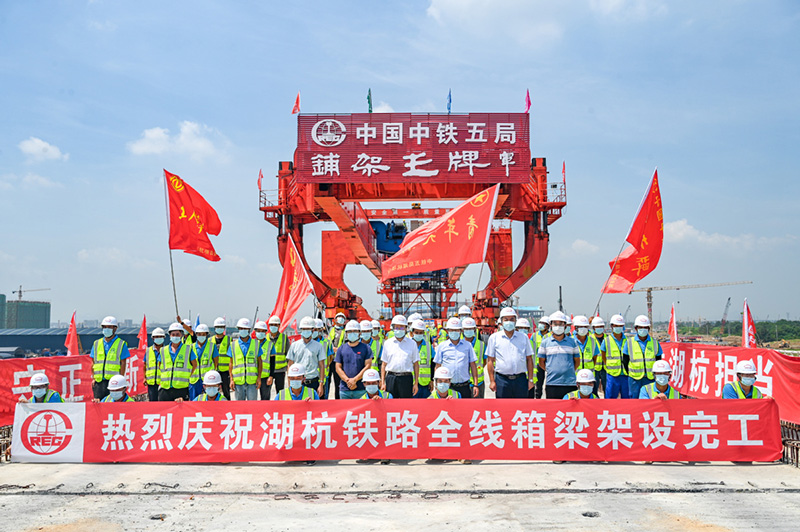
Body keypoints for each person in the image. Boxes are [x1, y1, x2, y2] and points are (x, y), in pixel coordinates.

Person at [486, 307, 535, 398]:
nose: (509, 322)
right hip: (502, 380)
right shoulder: (494, 338)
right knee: (503, 409)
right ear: (501, 321)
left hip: (520, 380)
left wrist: (530, 380)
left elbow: (529, 359)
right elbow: (490, 361)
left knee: (521, 409)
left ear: (515, 321)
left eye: (512, 319)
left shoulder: (523, 337)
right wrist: (492, 381)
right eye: (506, 319)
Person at [538, 311, 581, 399]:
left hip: (570, 383)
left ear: (565, 325)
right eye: (555, 323)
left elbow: (577, 361)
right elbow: (541, 362)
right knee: (553, 409)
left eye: (561, 324)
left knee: (570, 409)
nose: (558, 326)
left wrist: (568, 370)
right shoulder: (545, 342)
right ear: (551, 325)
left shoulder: (572, 342)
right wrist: (551, 370)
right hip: (552, 383)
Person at [434, 317, 479, 399]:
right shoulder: (442, 346)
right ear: (448, 331)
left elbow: (473, 365)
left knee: (465, 410)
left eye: (456, 330)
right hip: (449, 387)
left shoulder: (467, 345)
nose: (454, 332)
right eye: (451, 330)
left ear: (460, 331)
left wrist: (475, 384)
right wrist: (437, 385)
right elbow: (437, 366)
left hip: (464, 386)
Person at [91, 316, 131, 401]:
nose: (106, 329)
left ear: (115, 328)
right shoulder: (96, 343)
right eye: (104, 327)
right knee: (98, 406)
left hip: (114, 383)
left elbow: (123, 363)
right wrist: (93, 378)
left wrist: (120, 379)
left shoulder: (121, 344)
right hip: (99, 381)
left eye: (109, 327)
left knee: (112, 405)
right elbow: (93, 362)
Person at [624, 315, 663, 400]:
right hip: (635, 378)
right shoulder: (629, 342)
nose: (643, 329)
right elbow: (625, 360)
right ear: (636, 328)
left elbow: (658, 360)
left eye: (645, 327)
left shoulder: (655, 343)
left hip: (650, 378)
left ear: (648, 328)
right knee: (634, 400)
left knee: (650, 400)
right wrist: (631, 373)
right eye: (640, 327)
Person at [380, 315, 420, 398]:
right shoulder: (388, 343)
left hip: (406, 378)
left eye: (401, 327)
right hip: (391, 377)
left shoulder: (412, 344)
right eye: (396, 327)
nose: (399, 330)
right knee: (390, 404)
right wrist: (383, 382)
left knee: (405, 405)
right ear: (393, 328)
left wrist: (416, 383)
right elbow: (384, 364)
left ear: (406, 328)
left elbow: (416, 364)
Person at [287, 316, 326, 397]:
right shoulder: (294, 345)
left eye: (308, 329)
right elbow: (290, 365)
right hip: (299, 382)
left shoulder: (318, 346)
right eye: (304, 329)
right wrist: (289, 384)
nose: (306, 331)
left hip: (313, 382)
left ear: (313, 330)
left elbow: (322, 366)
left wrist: (321, 384)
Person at [158, 322, 198, 402]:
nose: (175, 336)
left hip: (181, 389)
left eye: (177, 334)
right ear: (170, 336)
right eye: (173, 334)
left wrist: (187, 375)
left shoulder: (188, 349)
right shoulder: (163, 350)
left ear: (181, 335)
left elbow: (194, 364)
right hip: (165, 389)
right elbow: (160, 365)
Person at [335, 320, 374, 399]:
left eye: (355, 331)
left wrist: (355, 380)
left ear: (359, 333)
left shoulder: (366, 348)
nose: (352, 333)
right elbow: (338, 367)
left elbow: (368, 366)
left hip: (361, 389)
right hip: (344, 389)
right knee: (345, 411)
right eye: (349, 331)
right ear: (346, 333)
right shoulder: (341, 349)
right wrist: (348, 381)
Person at [229, 318, 262, 401]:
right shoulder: (233, 345)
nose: (243, 330)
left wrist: (259, 378)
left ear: (249, 330)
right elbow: (231, 363)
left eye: (245, 329)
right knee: (239, 407)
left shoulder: (256, 344)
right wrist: (231, 379)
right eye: (241, 328)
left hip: (252, 381)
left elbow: (260, 362)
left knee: (253, 406)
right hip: (238, 382)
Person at [601, 314, 630, 399]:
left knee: (627, 398)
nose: (618, 327)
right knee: (610, 398)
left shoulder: (628, 341)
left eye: (620, 325)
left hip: (625, 374)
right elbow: (604, 356)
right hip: (612, 375)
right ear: (612, 326)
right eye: (616, 325)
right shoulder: (606, 341)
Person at [573, 316, 601, 395]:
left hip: (590, 378)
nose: (583, 328)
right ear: (576, 328)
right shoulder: (571, 341)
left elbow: (594, 358)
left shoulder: (592, 341)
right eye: (581, 327)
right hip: (575, 378)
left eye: (585, 326)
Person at [262, 316, 288, 400]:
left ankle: (280, 410)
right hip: (267, 371)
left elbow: (289, 355)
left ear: (279, 325)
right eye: (271, 325)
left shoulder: (284, 338)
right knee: (265, 394)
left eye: (275, 325)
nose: (273, 326)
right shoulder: (264, 338)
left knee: (280, 393)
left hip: (280, 370)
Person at [190, 324, 218, 401]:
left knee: (207, 401)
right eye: (199, 334)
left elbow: (216, 362)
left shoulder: (212, 346)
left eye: (203, 334)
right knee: (194, 402)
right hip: (194, 380)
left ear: (206, 335)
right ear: (196, 335)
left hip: (207, 380)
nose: (201, 336)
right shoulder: (191, 347)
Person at [463, 317, 487, 398]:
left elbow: (484, 361)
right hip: (463, 383)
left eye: (470, 328)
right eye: (466, 329)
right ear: (462, 330)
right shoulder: (459, 344)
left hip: (478, 383)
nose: (468, 330)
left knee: (477, 409)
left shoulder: (481, 344)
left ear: (474, 329)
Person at [326, 312, 348, 398]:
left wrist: (338, 350)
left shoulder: (345, 331)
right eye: (339, 317)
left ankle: (337, 400)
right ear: (335, 320)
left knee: (338, 383)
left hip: (339, 360)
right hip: (330, 359)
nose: (340, 319)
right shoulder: (330, 330)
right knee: (327, 382)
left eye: (342, 318)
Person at [410, 320, 434, 398]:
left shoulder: (428, 346)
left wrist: (432, 380)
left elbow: (433, 363)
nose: (419, 334)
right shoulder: (407, 345)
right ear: (412, 333)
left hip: (425, 384)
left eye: (421, 332)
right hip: (411, 383)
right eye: (416, 332)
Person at [515, 318, 538, 398]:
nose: (523, 330)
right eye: (521, 328)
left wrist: (531, 379)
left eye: (525, 328)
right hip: (518, 378)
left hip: (530, 379)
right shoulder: (513, 342)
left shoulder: (533, 343)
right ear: (516, 329)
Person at [210, 317, 232, 399]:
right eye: (217, 327)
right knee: (213, 392)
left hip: (225, 371)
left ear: (224, 328)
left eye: (221, 327)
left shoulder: (229, 340)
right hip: (213, 370)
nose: (219, 329)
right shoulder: (210, 340)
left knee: (226, 391)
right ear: (214, 328)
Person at [144, 327, 164, 402]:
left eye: (160, 337)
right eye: (156, 337)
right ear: (153, 338)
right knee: (152, 402)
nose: (158, 338)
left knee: (162, 402)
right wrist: (144, 378)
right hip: (151, 382)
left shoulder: (166, 350)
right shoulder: (148, 351)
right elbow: (144, 364)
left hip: (163, 382)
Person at [533, 315, 550, 399]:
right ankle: (538, 399)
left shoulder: (551, 336)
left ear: (547, 326)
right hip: (538, 363)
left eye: (543, 323)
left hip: (549, 363)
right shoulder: (535, 336)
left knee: (549, 384)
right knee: (538, 384)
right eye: (540, 323)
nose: (541, 325)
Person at [591, 317, 607, 396]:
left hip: (605, 368)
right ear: (593, 327)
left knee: (607, 389)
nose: (599, 328)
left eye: (601, 326)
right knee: (594, 390)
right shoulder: (590, 339)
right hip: (595, 368)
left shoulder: (607, 339)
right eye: (597, 327)